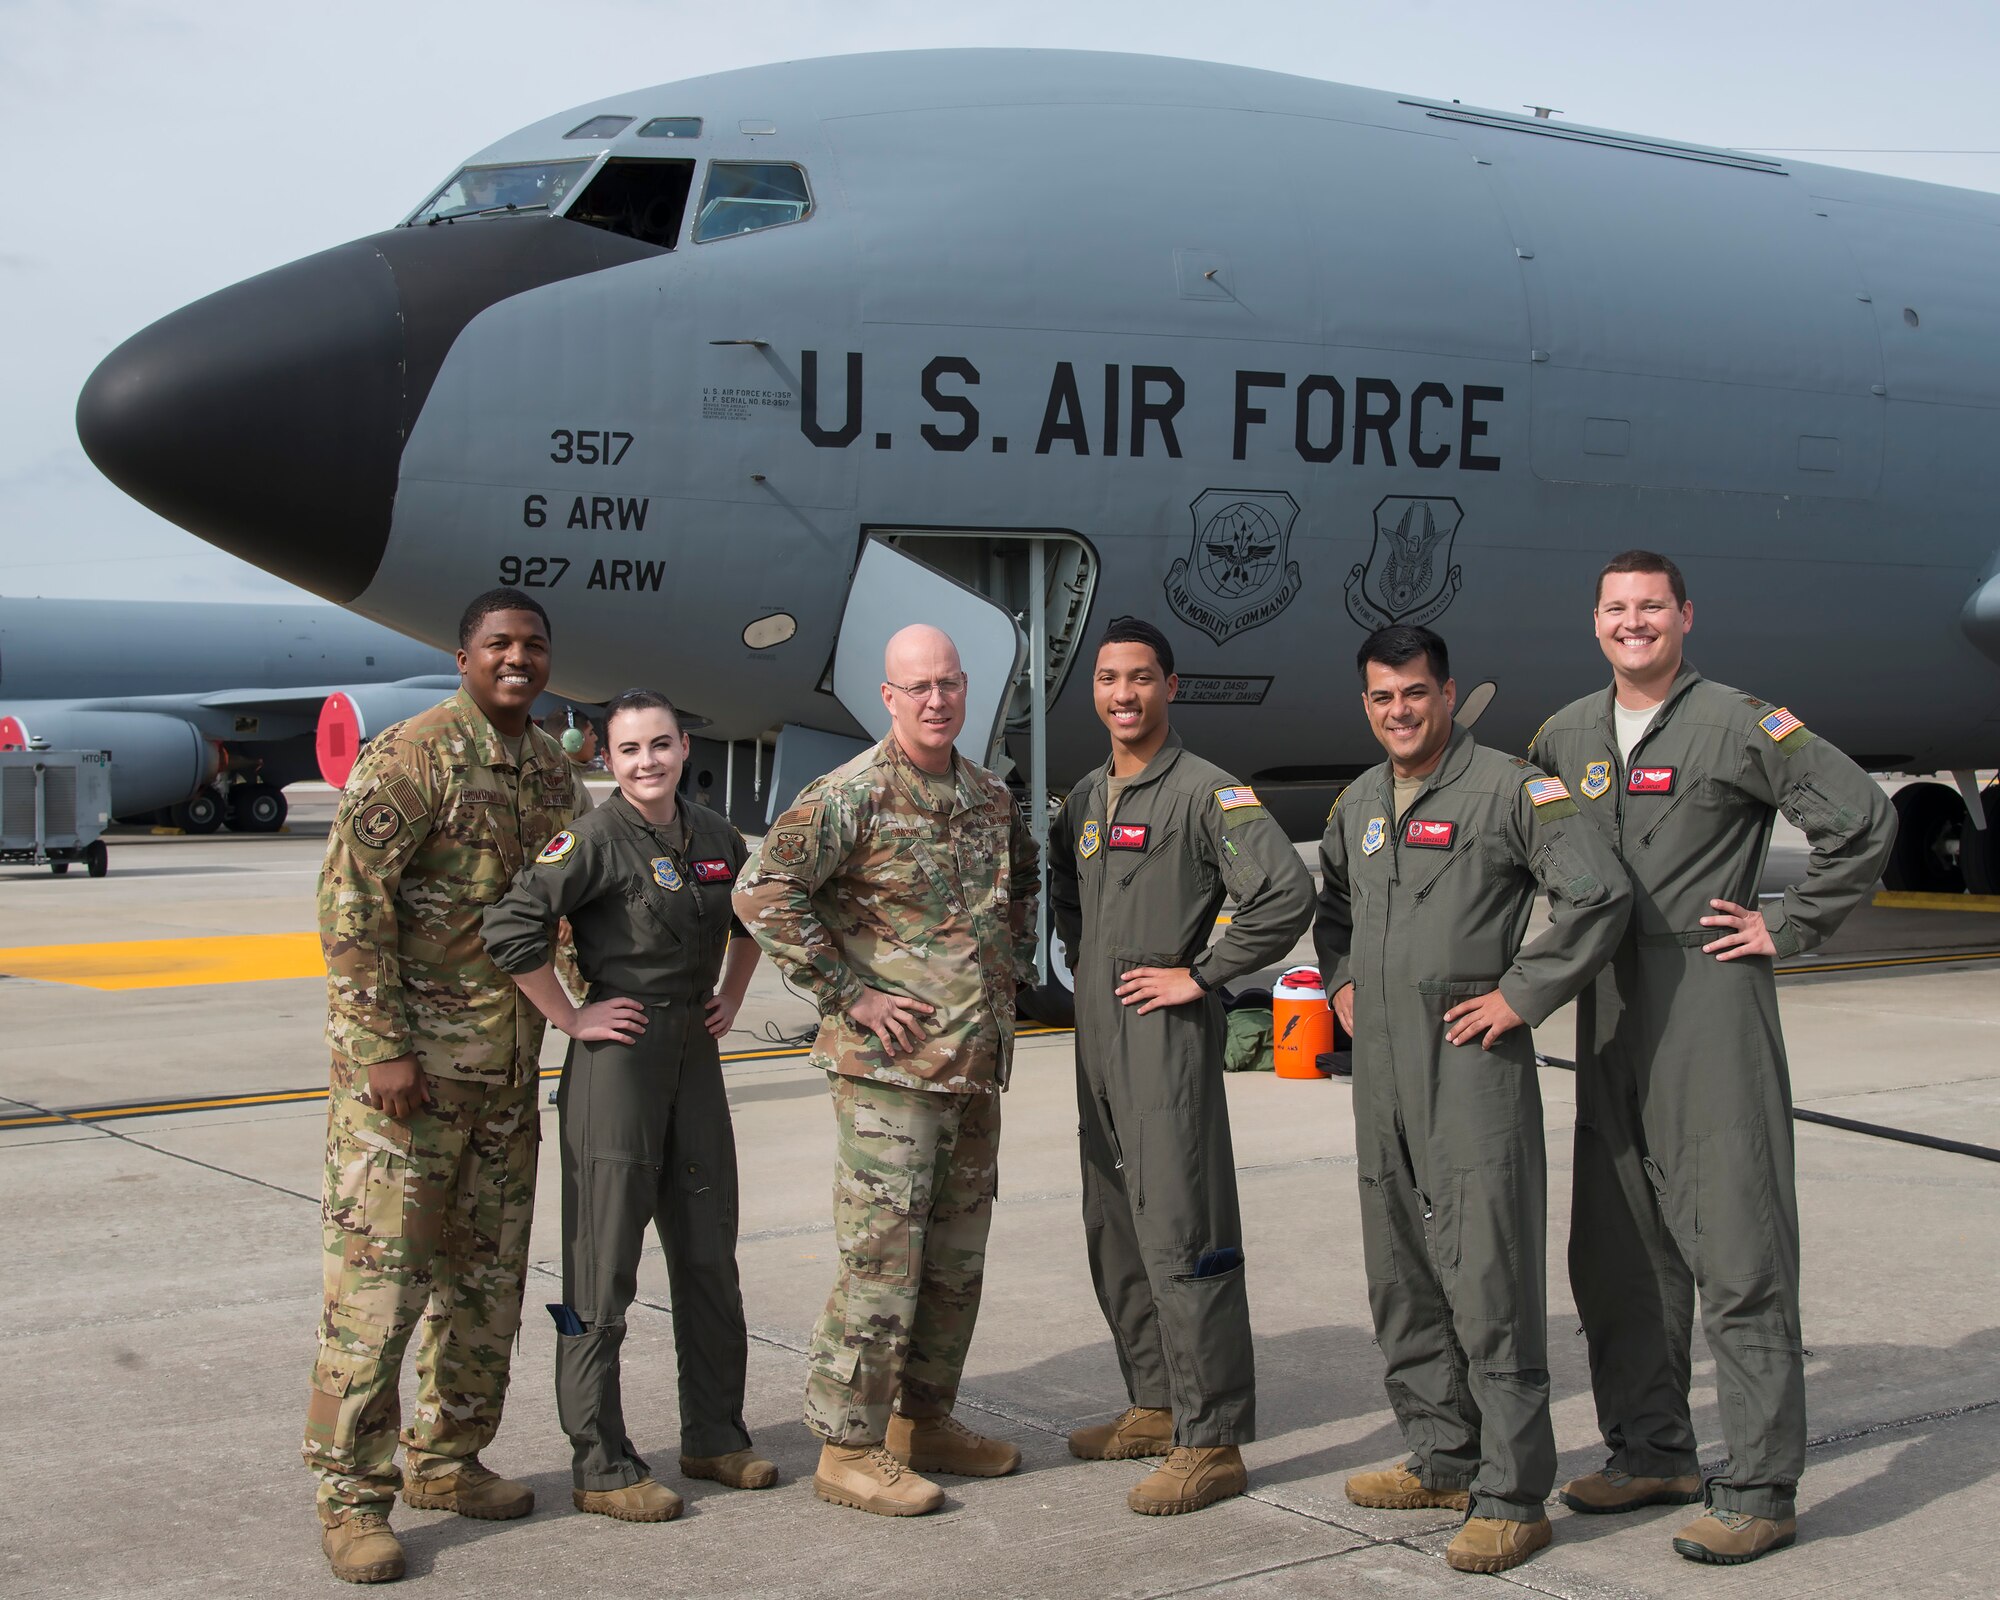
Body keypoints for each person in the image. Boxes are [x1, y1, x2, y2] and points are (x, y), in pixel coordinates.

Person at [1528, 551, 1896, 1565]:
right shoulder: (1562, 734)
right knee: (1614, 1252)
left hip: (1703, 997)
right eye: (1615, 607)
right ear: (1592, 620)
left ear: (1684, 616)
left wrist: (1794, 919)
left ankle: (1760, 1486)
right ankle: (1651, 1449)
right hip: (1602, 1006)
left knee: (1735, 1251)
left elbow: (1861, 816)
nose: (1632, 622)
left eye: (1651, 606)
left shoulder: (1738, 721)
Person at [1315, 624, 1630, 1575]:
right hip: (1382, 1078)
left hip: (1471, 1065)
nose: (1399, 712)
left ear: (1447, 695)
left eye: (1414, 693)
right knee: (1401, 1273)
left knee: (1488, 1278)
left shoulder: (1512, 789)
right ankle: (1444, 1454)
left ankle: (1512, 1491)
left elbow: (1597, 894)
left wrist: (1522, 993)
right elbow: (1332, 907)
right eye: (1381, 697)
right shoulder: (1361, 801)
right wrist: (1337, 987)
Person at [306, 589, 591, 1585]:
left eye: (534, 646)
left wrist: (600, 1016)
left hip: (505, 1081)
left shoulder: (555, 775)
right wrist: (381, 1046)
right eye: (499, 645)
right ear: (464, 655)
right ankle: (350, 1497)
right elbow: (351, 908)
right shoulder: (414, 756)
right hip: (409, 1086)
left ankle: (448, 1460)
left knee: (486, 1287)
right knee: (379, 1298)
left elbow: (577, 912)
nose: (518, 660)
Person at [733, 624, 1040, 1517]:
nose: (937, 700)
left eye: (949, 683)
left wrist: (1002, 981)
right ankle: (848, 1447)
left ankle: (927, 1419)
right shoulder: (852, 795)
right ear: (889, 697)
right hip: (889, 1077)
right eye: (919, 687)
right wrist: (848, 993)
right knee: (883, 1262)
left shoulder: (987, 795)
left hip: (972, 1068)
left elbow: (1014, 896)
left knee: (953, 1262)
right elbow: (761, 891)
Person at [482, 689, 773, 1524]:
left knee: (709, 1253)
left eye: (660, 745)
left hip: (696, 1056)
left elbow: (754, 915)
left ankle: (716, 1434)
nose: (646, 762)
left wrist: (731, 993)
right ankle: (600, 1462)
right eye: (628, 750)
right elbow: (512, 930)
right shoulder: (594, 840)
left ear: (685, 747)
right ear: (605, 760)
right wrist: (571, 1018)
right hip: (620, 1061)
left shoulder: (717, 836)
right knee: (602, 1263)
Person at [1049, 617, 1314, 1516]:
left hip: (1165, 1048)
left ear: (1171, 686)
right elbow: (1067, 900)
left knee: (1182, 1234)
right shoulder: (1084, 798)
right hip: (1098, 1046)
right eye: (1109, 679)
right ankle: (1155, 1403)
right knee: (1115, 1230)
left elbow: (1283, 892)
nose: (1123, 694)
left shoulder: (1207, 794)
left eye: (1140, 679)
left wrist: (1199, 974)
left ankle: (1214, 1439)